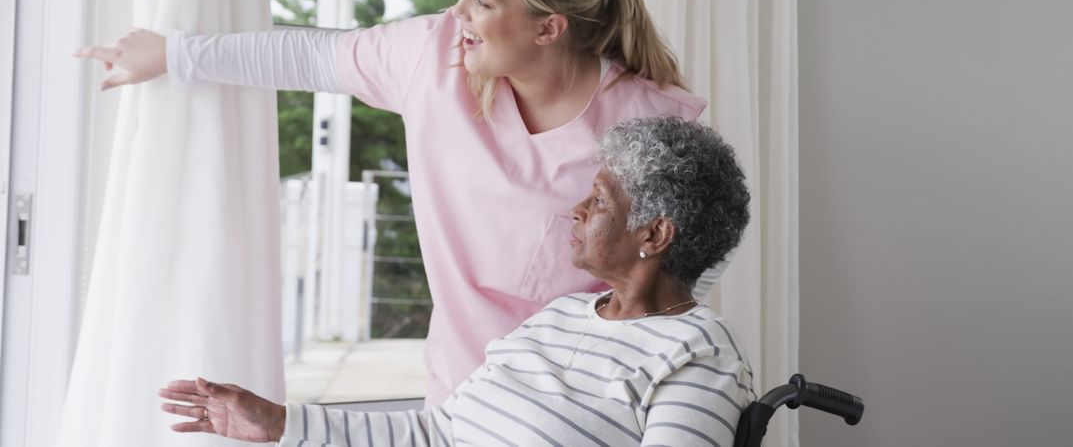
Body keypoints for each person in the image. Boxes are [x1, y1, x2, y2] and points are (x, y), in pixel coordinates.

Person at [76, 0, 713, 404]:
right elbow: (308, 55)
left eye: (483, 3)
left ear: (549, 28)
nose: (458, 13)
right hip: (459, 396)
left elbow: (683, 277)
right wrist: (173, 54)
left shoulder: (645, 122)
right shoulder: (432, 59)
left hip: (583, 402)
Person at [160, 116, 754, 446]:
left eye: (597, 201)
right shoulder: (560, 317)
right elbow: (439, 433)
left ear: (654, 235)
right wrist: (282, 423)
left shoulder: (696, 355)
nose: (574, 211)